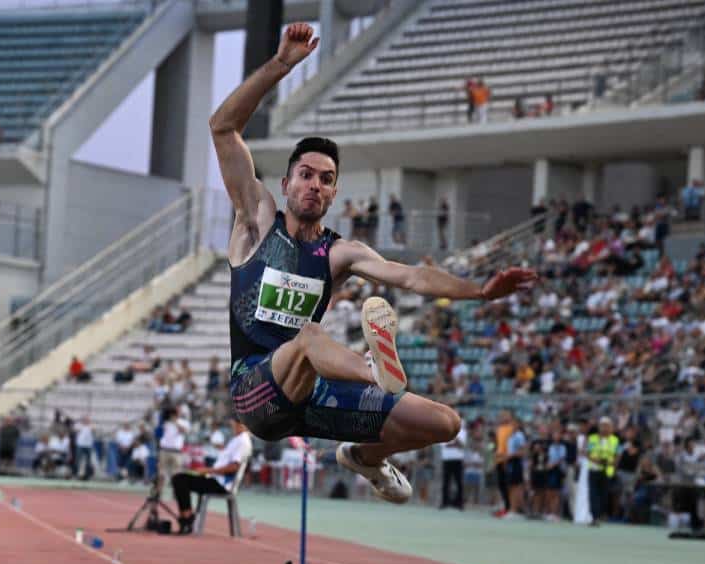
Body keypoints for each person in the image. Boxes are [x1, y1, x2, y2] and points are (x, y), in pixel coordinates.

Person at [209, 23, 536, 504]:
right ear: (285, 184)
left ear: (334, 192)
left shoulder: (340, 253)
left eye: (325, 179)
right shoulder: (256, 222)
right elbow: (223, 128)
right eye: (305, 175)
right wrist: (280, 65)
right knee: (310, 336)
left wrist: (481, 291)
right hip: (255, 391)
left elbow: (412, 276)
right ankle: (374, 372)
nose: (314, 185)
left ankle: (365, 457)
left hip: (310, 394)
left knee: (443, 423)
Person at [171, 418, 253, 535]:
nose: (232, 427)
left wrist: (208, 470)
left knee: (179, 479)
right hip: (215, 479)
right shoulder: (237, 439)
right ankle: (187, 517)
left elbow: (234, 467)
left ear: (240, 424)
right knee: (180, 477)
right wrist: (206, 471)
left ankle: (187, 518)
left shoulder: (243, 441)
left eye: (234, 424)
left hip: (222, 485)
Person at [586, 417, 618, 525]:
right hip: (594, 469)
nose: (605, 428)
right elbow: (588, 453)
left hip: (607, 471)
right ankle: (594, 516)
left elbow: (617, 454)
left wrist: (613, 463)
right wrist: (597, 461)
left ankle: (601, 514)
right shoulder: (592, 438)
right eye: (603, 426)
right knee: (593, 494)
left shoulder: (615, 440)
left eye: (607, 426)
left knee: (604, 495)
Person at [439, 423, 466, 510]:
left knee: (459, 482)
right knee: (446, 482)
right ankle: (445, 502)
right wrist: (455, 443)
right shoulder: (444, 432)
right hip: (447, 459)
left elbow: (462, 445)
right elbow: (444, 445)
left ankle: (459, 503)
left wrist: (454, 441)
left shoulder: (462, 431)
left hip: (458, 459)